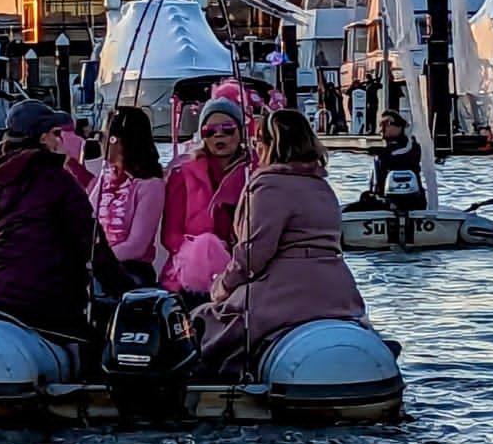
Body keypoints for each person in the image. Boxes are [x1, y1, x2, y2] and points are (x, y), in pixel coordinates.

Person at [196, 108, 367, 376]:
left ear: (268, 145)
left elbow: (253, 255)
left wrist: (221, 287)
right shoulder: (321, 185)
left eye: (258, 142)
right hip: (338, 291)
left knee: (205, 323)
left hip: (286, 293)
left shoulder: (269, 186)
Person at [0, 99, 130, 337]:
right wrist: (125, 290)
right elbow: (93, 248)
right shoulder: (60, 181)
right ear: (43, 138)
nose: (61, 140)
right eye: (56, 133)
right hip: (49, 305)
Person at [160, 93, 250, 296]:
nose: (219, 135)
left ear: (241, 133)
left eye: (227, 129)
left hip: (241, 267)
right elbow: (170, 235)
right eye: (210, 131)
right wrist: (200, 252)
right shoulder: (183, 174)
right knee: (206, 244)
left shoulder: (254, 174)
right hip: (190, 268)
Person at [68, 105, 165, 285]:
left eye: (102, 136)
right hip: (96, 265)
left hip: (131, 269)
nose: (100, 142)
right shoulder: (106, 176)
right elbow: (89, 214)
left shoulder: (150, 185)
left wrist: (93, 261)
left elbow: (136, 247)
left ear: (116, 140)